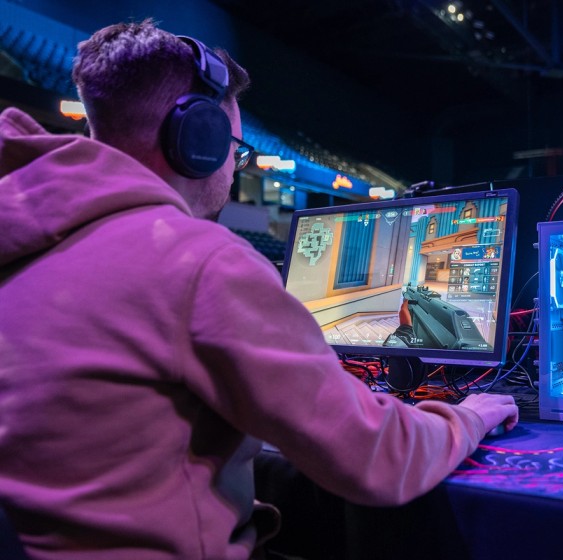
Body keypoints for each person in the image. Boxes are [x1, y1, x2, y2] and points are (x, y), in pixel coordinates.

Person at [0, 20, 518, 560]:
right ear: (195, 140)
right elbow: (380, 459)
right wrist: (470, 415)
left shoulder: (25, 242)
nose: (232, 165)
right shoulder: (195, 262)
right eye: (233, 146)